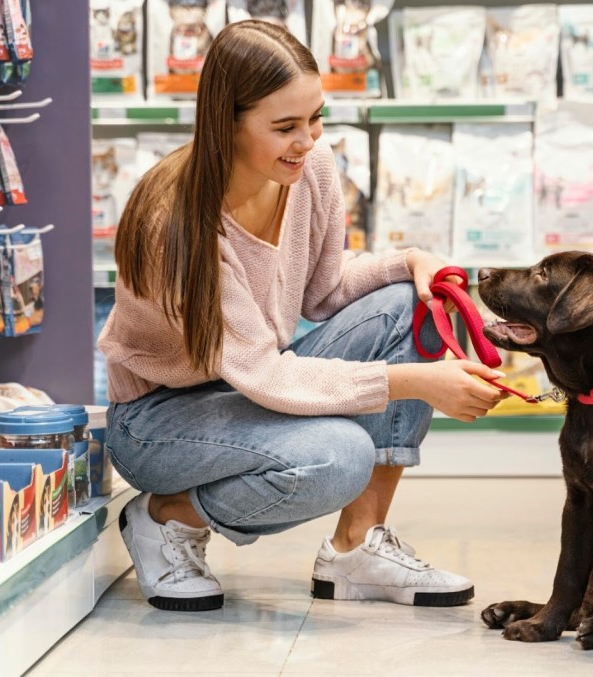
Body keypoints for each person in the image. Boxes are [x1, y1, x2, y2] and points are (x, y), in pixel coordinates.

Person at [98, 20, 507, 613]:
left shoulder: (307, 169)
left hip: (249, 385)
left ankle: (355, 548)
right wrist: (417, 383)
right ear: (225, 123)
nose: (308, 140)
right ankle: (166, 517)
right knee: (338, 455)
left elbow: (324, 291)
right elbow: (264, 373)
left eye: (315, 118)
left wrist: (411, 262)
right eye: (285, 126)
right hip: (159, 422)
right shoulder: (177, 225)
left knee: (410, 306)